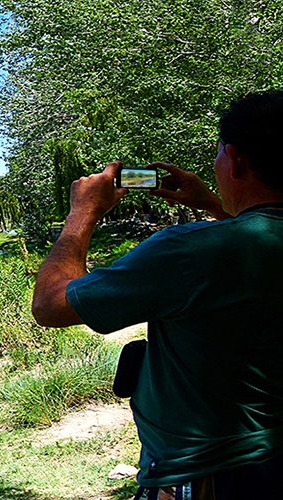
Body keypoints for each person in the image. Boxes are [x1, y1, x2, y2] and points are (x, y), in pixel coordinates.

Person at [31, 91, 283, 500]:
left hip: (211, 474)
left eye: (219, 155)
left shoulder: (185, 252)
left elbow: (51, 305)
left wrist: (82, 214)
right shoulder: (239, 248)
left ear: (235, 160)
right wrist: (215, 207)